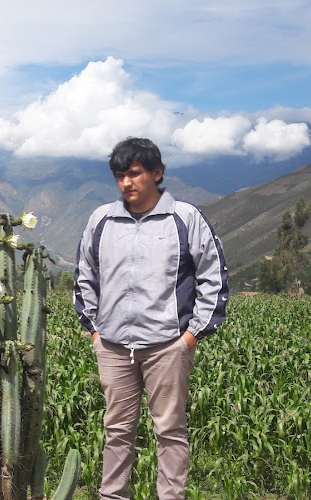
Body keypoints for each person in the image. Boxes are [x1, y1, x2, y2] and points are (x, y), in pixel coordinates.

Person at [73, 137, 228, 499]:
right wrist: (95, 331)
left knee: (170, 430)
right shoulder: (102, 219)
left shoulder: (184, 218)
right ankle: (113, 496)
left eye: (134, 173)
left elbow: (214, 276)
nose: (126, 182)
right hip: (113, 346)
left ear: (157, 173)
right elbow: (84, 276)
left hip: (167, 346)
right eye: (120, 176)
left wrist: (189, 337)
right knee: (117, 430)